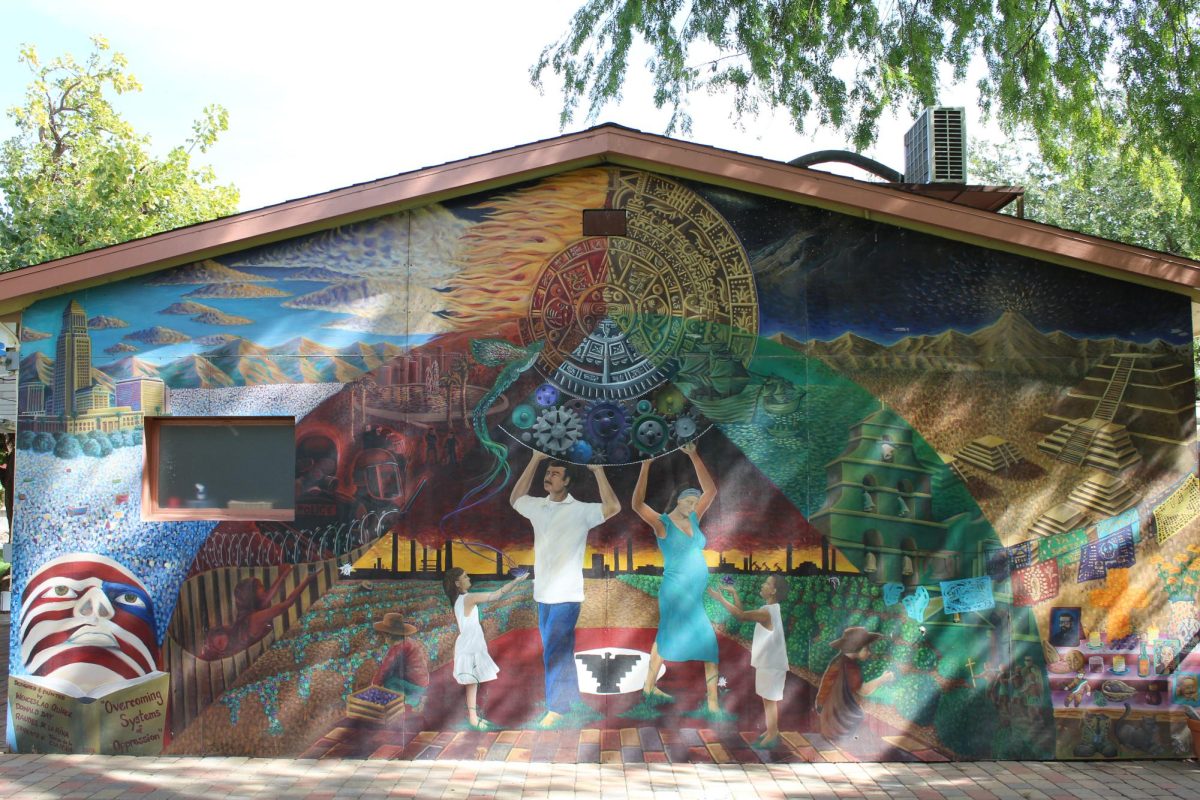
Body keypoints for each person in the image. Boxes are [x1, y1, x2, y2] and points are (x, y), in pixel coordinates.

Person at [510, 450, 620, 727]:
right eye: (548, 473)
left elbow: (613, 507)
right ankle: (570, 698)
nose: (549, 477)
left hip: (567, 596)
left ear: (567, 481)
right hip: (543, 594)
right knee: (558, 648)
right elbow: (515, 500)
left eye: (555, 474)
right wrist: (534, 460)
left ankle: (557, 708)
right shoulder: (537, 505)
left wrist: (598, 473)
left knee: (554, 651)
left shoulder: (581, 510)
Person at [631, 441, 723, 714]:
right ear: (677, 500)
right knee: (700, 641)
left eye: (695, 502)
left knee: (668, 638)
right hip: (675, 592)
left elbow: (712, 490)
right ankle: (713, 704)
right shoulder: (663, 524)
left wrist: (694, 455)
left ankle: (650, 687)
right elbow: (637, 504)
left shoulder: (694, 519)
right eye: (689, 501)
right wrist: (645, 467)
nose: (694, 505)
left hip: (693, 594)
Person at [708, 574, 789, 747]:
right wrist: (735, 594)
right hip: (769, 662)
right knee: (768, 699)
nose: (763, 585)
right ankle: (771, 730)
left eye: (767, 583)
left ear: (773, 590)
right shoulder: (769, 609)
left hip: (771, 663)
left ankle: (773, 733)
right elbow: (742, 613)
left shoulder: (767, 612)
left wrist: (721, 598)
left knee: (770, 699)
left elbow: (741, 616)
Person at [442, 566, 527, 730]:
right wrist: (517, 581)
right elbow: (496, 595)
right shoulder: (468, 598)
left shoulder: (461, 600)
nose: (469, 579)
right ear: (457, 583)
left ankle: (473, 718)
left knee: (472, 683)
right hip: (470, 645)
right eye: (465, 577)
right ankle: (473, 718)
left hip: (469, 643)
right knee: (472, 682)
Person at [200, 564, 318, 660]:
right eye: (260, 587)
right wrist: (307, 580)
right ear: (251, 595)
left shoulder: (247, 616)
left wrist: (284, 574)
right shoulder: (254, 619)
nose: (264, 590)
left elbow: (267, 597)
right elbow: (286, 604)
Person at [815, 625, 895, 740]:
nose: (869, 653)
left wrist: (820, 703)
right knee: (861, 718)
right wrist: (883, 679)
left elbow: (826, 684)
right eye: (866, 649)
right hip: (841, 723)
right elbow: (863, 690)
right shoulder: (851, 668)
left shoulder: (837, 660)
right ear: (856, 648)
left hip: (828, 717)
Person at [370, 613, 431, 713]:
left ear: (389, 636)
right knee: (391, 679)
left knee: (388, 686)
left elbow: (384, 668)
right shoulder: (409, 641)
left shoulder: (397, 648)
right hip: (422, 681)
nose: (385, 640)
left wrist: (374, 685)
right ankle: (416, 696)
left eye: (385, 636)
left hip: (416, 685)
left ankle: (415, 701)